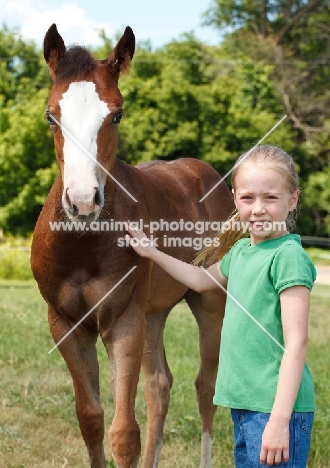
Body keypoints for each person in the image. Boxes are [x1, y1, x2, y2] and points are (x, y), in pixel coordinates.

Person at [125, 144, 316, 467]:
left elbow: (296, 345)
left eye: (270, 198)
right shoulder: (240, 252)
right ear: (233, 199)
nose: (258, 209)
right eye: (247, 198)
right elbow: (200, 280)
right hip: (244, 405)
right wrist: (152, 252)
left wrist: (280, 421)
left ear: (292, 199)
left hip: (274, 409)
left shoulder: (288, 257)